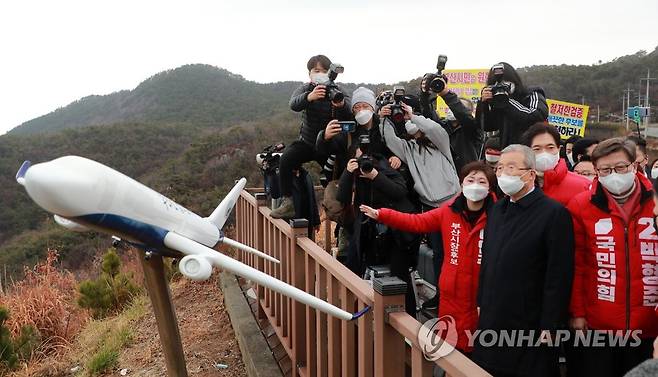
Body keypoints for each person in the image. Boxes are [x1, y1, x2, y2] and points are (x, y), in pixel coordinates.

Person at [360, 161, 497, 354]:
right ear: (461, 184)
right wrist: (383, 215)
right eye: (470, 179)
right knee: (450, 348)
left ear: (490, 187)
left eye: (482, 181)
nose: (475, 185)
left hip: (483, 296)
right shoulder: (449, 210)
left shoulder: (499, 215)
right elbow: (417, 222)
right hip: (451, 293)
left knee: (480, 352)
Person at [473, 144, 574, 377]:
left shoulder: (553, 213)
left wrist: (550, 324)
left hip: (530, 322)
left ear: (530, 174)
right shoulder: (498, 209)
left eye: (511, 167)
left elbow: (558, 276)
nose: (503, 174)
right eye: (499, 168)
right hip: (493, 314)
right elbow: (488, 258)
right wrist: (481, 301)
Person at [567, 138, 658, 377]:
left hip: (649, 324)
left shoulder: (655, 203)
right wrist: (577, 313)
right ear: (596, 172)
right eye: (605, 170)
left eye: (620, 168)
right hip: (599, 325)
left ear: (635, 166)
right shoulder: (580, 206)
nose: (614, 175)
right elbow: (576, 264)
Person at [380, 100, 461, 309]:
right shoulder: (408, 149)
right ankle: (441, 295)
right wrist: (384, 118)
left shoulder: (441, 143)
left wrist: (413, 116)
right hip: (430, 207)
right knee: (438, 254)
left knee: (454, 253)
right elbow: (389, 140)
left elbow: (435, 130)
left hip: (452, 203)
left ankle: (456, 295)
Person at [336, 136, 419, 314]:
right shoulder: (353, 174)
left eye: (366, 159)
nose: (363, 164)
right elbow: (342, 198)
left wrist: (375, 176)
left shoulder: (384, 167)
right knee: (352, 267)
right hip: (367, 230)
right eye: (359, 160)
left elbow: (399, 192)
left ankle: (407, 320)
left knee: (399, 274)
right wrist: (347, 173)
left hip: (395, 233)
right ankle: (354, 314)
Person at [272, 55, 352, 219]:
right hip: (308, 143)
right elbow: (293, 104)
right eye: (316, 71)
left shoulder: (338, 90)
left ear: (331, 72)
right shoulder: (306, 88)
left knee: (339, 174)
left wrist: (341, 105)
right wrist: (309, 97)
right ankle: (288, 202)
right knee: (286, 159)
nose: (320, 74)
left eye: (324, 70)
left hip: (330, 144)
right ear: (309, 74)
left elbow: (351, 111)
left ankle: (339, 210)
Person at [476, 62, 548, 148]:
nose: (501, 87)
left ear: (514, 80)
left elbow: (536, 115)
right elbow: (488, 126)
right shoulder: (497, 102)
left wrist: (507, 101)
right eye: (496, 84)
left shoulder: (531, 93)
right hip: (507, 151)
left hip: (532, 149)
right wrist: (483, 104)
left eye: (505, 83)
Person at [419, 78, 484, 173]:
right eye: (451, 107)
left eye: (458, 107)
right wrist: (425, 94)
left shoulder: (473, 129)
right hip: (444, 175)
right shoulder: (443, 126)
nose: (452, 110)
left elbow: (463, 115)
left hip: (466, 175)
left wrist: (446, 94)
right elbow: (428, 115)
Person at [521, 123, 590, 206]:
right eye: (537, 149)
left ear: (559, 149)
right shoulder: (518, 184)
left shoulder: (583, 186)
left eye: (550, 148)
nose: (544, 154)